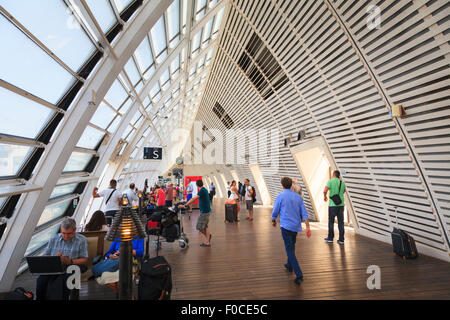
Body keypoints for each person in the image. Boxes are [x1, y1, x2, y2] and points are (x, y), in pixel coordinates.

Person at [271, 177, 311, 285]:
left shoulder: (280, 196)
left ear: (282, 185)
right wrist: (308, 227)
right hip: (296, 227)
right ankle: (289, 265)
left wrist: (273, 219)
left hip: (286, 226)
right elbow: (304, 212)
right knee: (291, 245)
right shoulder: (298, 197)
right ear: (291, 185)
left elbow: (275, 210)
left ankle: (299, 274)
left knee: (289, 249)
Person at [36, 218, 88, 300]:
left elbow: (84, 260)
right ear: (60, 230)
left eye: (69, 233)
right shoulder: (54, 238)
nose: (66, 236)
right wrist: (53, 258)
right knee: (41, 280)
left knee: (63, 279)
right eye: (63, 233)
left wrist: (70, 261)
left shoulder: (81, 240)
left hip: (74, 265)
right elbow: (45, 255)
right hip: (55, 265)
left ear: (74, 230)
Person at [179, 180, 212, 247]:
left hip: (205, 212)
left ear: (197, 185)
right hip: (205, 211)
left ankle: (207, 238)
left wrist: (185, 205)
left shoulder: (202, 190)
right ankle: (208, 240)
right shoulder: (204, 190)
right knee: (205, 226)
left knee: (199, 227)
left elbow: (194, 199)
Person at [323, 170, 346, 245]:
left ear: (333, 174)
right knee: (341, 222)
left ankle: (330, 238)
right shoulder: (342, 182)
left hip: (333, 205)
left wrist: (325, 197)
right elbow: (344, 191)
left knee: (331, 222)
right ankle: (341, 239)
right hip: (341, 204)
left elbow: (325, 190)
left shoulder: (330, 181)